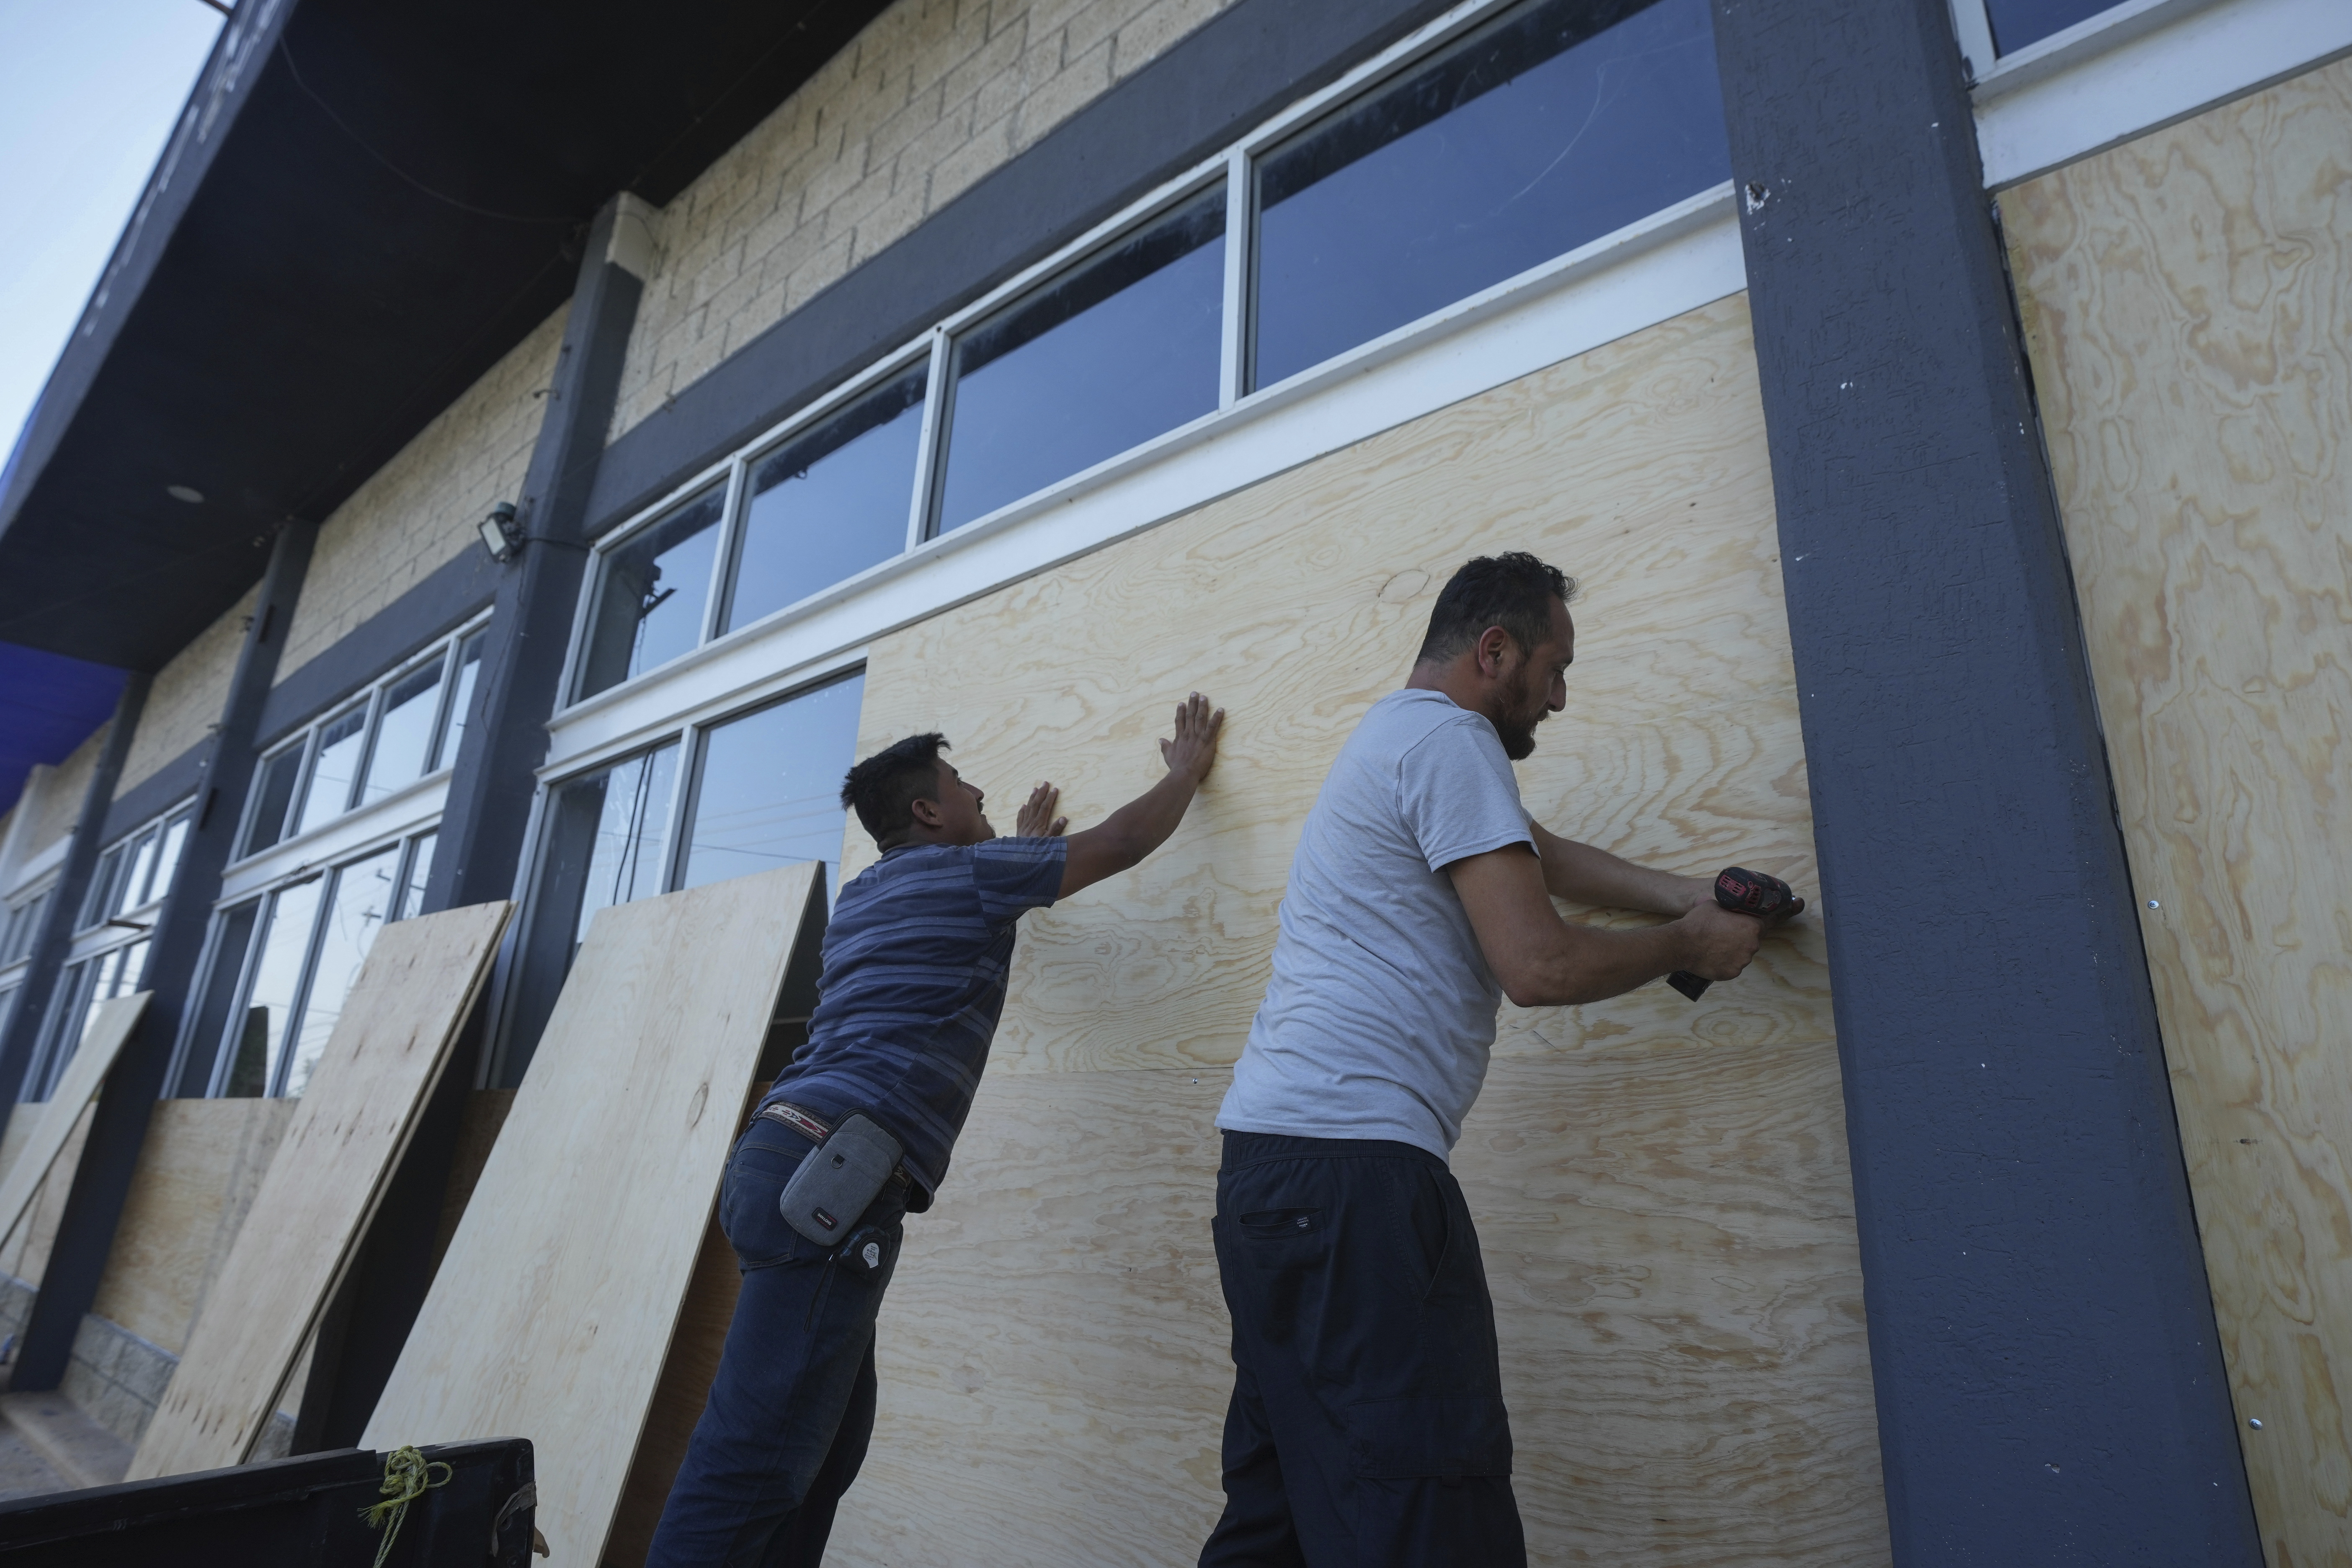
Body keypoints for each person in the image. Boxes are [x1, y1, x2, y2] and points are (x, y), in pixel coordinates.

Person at [1201, 552, 1802, 1567]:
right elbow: (1539, 965)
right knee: (1429, 1514)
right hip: (1359, 1185)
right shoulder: (1451, 739)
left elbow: (1540, 852)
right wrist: (1690, 949)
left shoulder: (1396, 737)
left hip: (1268, 1178)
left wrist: (1697, 893)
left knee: (1281, 1519)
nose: (1561, 696)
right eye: (1555, 668)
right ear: (1495, 652)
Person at [648, 694, 1226, 1568]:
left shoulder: (868, 895)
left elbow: (963, 910)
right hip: (831, 1180)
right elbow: (1117, 845)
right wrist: (1182, 773)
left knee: (826, 1444)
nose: (978, 787)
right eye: (961, 784)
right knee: (757, 1461)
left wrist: (1013, 848)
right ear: (927, 811)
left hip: (783, 1157)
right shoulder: (970, 878)